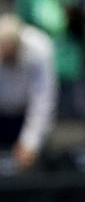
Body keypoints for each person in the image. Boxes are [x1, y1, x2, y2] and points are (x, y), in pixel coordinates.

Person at [0, 13, 57, 172]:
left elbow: (43, 99)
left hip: (26, 113)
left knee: (32, 165)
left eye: (11, 52)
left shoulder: (40, 48)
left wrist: (30, 143)